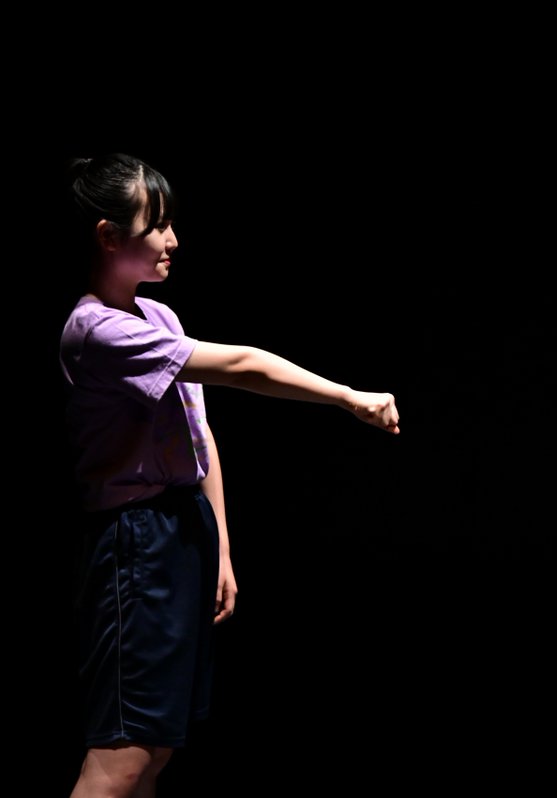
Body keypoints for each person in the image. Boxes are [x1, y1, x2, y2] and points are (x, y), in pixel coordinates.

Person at [59, 152, 400, 798]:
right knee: (123, 753)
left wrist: (220, 548)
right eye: (158, 225)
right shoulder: (95, 331)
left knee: (156, 749)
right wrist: (347, 396)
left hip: (178, 531)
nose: (173, 240)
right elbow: (243, 365)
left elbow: (199, 433)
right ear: (109, 236)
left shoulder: (159, 317)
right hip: (134, 541)